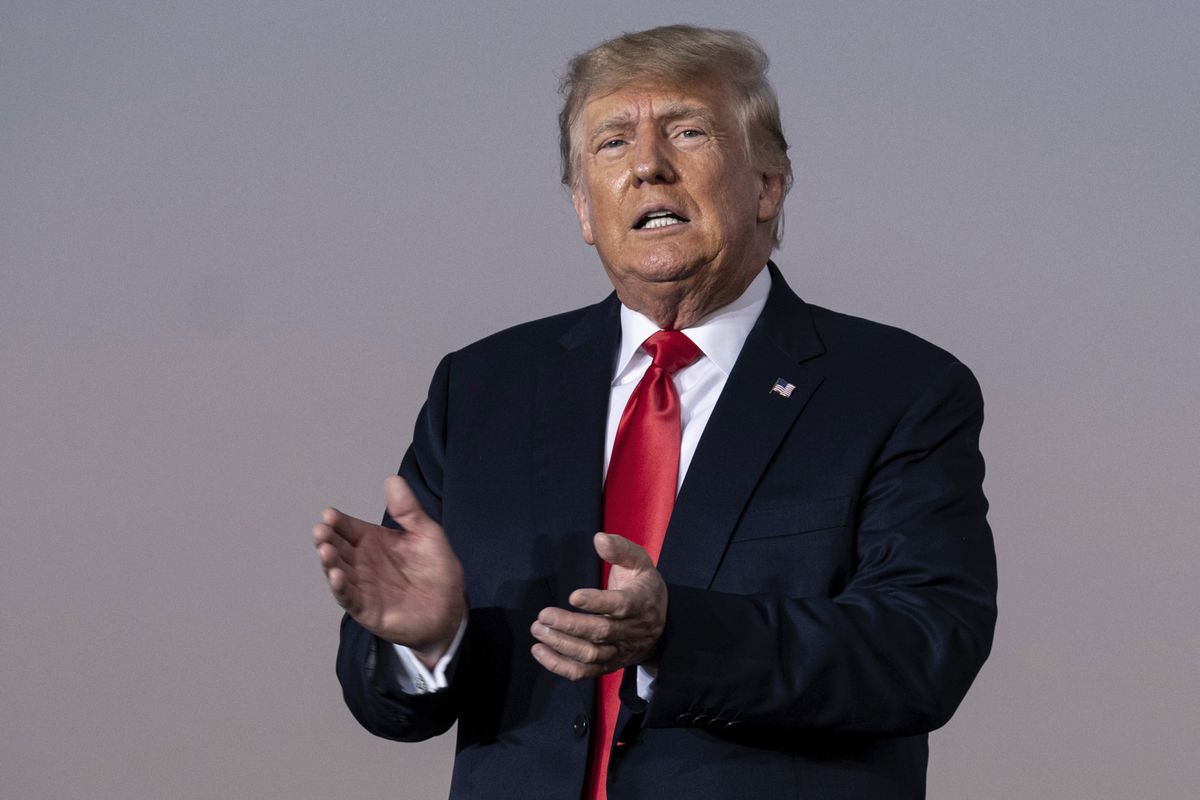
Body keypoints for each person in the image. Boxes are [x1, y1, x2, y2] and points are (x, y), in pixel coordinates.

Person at [313, 24, 996, 800]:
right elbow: (384, 703)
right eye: (611, 143)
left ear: (768, 183)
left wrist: (678, 637)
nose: (647, 166)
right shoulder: (481, 389)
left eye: (688, 131)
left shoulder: (897, 388)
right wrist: (428, 643)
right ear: (582, 208)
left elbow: (924, 649)